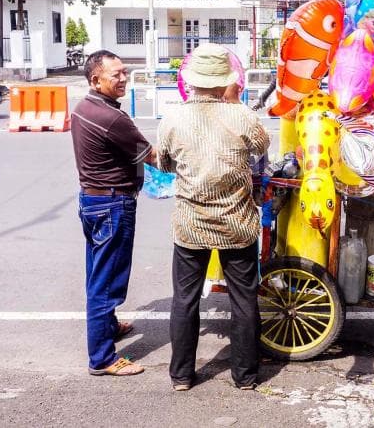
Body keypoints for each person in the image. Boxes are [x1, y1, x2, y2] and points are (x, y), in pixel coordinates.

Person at [156, 43, 270, 391]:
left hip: (191, 223)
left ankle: (181, 376)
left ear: (191, 82)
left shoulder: (172, 117)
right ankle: (246, 376)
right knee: (244, 299)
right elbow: (262, 147)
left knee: (185, 300)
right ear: (225, 82)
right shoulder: (242, 115)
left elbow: (163, 163)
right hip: (237, 224)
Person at [71, 50, 155, 376]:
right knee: (105, 284)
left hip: (92, 202)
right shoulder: (113, 119)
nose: (123, 79)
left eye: (124, 72)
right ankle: (103, 359)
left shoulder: (83, 109)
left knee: (98, 273)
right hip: (112, 205)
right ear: (96, 80)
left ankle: (109, 327)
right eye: (116, 75)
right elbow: (151, 155)